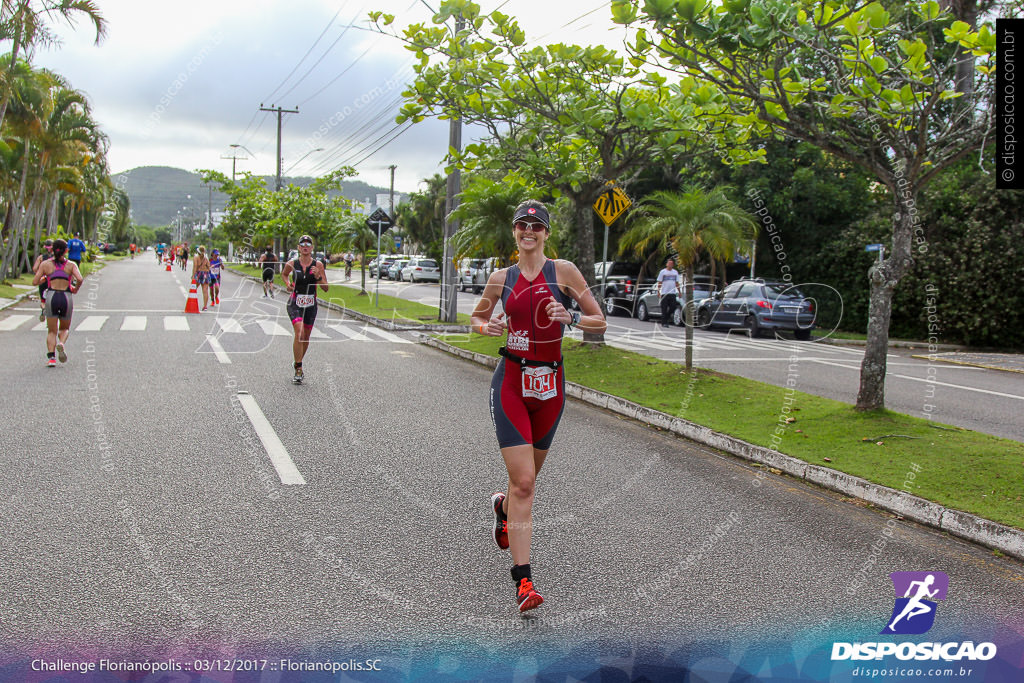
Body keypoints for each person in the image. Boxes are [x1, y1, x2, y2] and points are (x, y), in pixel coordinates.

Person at [471, 200, 606, 612]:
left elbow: (598, 320)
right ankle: (524, 582)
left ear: (546, 233)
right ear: (514, 232)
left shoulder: (563, 272)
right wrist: (486, 325)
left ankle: (502, 507)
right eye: (522, 225)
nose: (529, 231)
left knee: (522, 485)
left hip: (550, 387)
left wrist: (571, 318)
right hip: (511, 382)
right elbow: (475, 319)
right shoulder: (501, 278)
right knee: (525, 482)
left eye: (537, 225)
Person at [280, 234, 328, 384]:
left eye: (308, 244)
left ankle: (297, 361)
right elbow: (284, 274)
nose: (305, 247)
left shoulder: (318, 265)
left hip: (311, 304)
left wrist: (318, 276)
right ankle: (299, 368)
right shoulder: (292, 263)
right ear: (299, 248)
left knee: (305, 337)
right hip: (295, 302)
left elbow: (326, 288)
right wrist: (288, 284)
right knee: (299, 331)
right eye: (303, 245)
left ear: (312, 248)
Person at [32, 239, 84, 367]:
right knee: (64, 328)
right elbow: (80, 278)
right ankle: (61, 344)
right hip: (66, 296)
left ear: (52, 250)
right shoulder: (71, 265)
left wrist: (44, 278)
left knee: (51, 330)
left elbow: (35, 281)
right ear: (66, 250)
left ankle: (51, 358)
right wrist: (75, 289)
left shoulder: (45, 264)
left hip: (51, 296)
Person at [656, 257, 680, 328]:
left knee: (673, 307)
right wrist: (658, 291)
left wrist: (679, 291)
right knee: (664, 308)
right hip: (664, 293)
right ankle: (664, 323)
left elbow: (677, 283)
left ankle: (666, 317)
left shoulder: (675, 272)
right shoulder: (663, 272)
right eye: (669, 263)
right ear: (667, 264)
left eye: (671, 264)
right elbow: (659, 282)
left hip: (672, 293)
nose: (670, 265)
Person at [33, 239, 53, 322]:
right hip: (52, 280)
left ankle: (44, 308)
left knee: (43, 300)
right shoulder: (55, 257)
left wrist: (39, 274)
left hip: (43, 280)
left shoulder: (41, 258)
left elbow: (34, 268)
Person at [191, 245, 212, 310]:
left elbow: (195, 267)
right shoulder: (206, 258)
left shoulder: (196, 258)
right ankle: (205, 306)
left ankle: (192, 304)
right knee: (205, 291)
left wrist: (193, 275)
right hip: (205, 274)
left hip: (198, 273)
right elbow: (209, 267)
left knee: (193, 289)